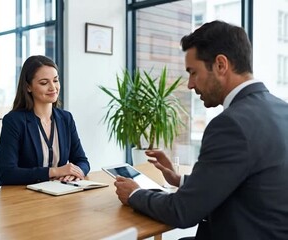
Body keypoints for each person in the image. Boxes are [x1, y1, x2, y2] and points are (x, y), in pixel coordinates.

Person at [114, 20, 288, 240]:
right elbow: (251, 183)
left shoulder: (231, 124)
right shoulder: (281, 109)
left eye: (193, 72)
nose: (190, 84)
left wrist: (135, 193)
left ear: (221, 65)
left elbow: (182, 211)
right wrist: (181, 180)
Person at [0, 55, 90, 185]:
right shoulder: (14, 121)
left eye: (55, 80)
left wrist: (76, 173)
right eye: (44, 83)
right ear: (28, 87)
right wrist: (54, 172)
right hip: (21, 197)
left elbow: (82, 161)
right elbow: (7, 173)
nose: (53, 87)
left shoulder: (66, 119)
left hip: (58, 192)